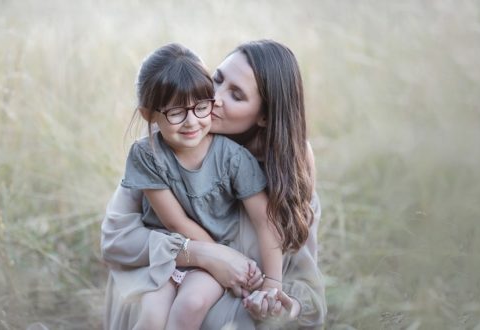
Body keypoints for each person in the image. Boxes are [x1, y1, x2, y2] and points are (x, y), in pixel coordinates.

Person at [103, 40, 325, 329]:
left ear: (264, 115)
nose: (214, 98)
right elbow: (116, 239)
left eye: (236, 94)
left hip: (233, 304)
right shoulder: (168, 140)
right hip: (160, 290)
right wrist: (206, 254)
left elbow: (305, 287)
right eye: (217, 79)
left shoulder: (283, 171)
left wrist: (276, 296)